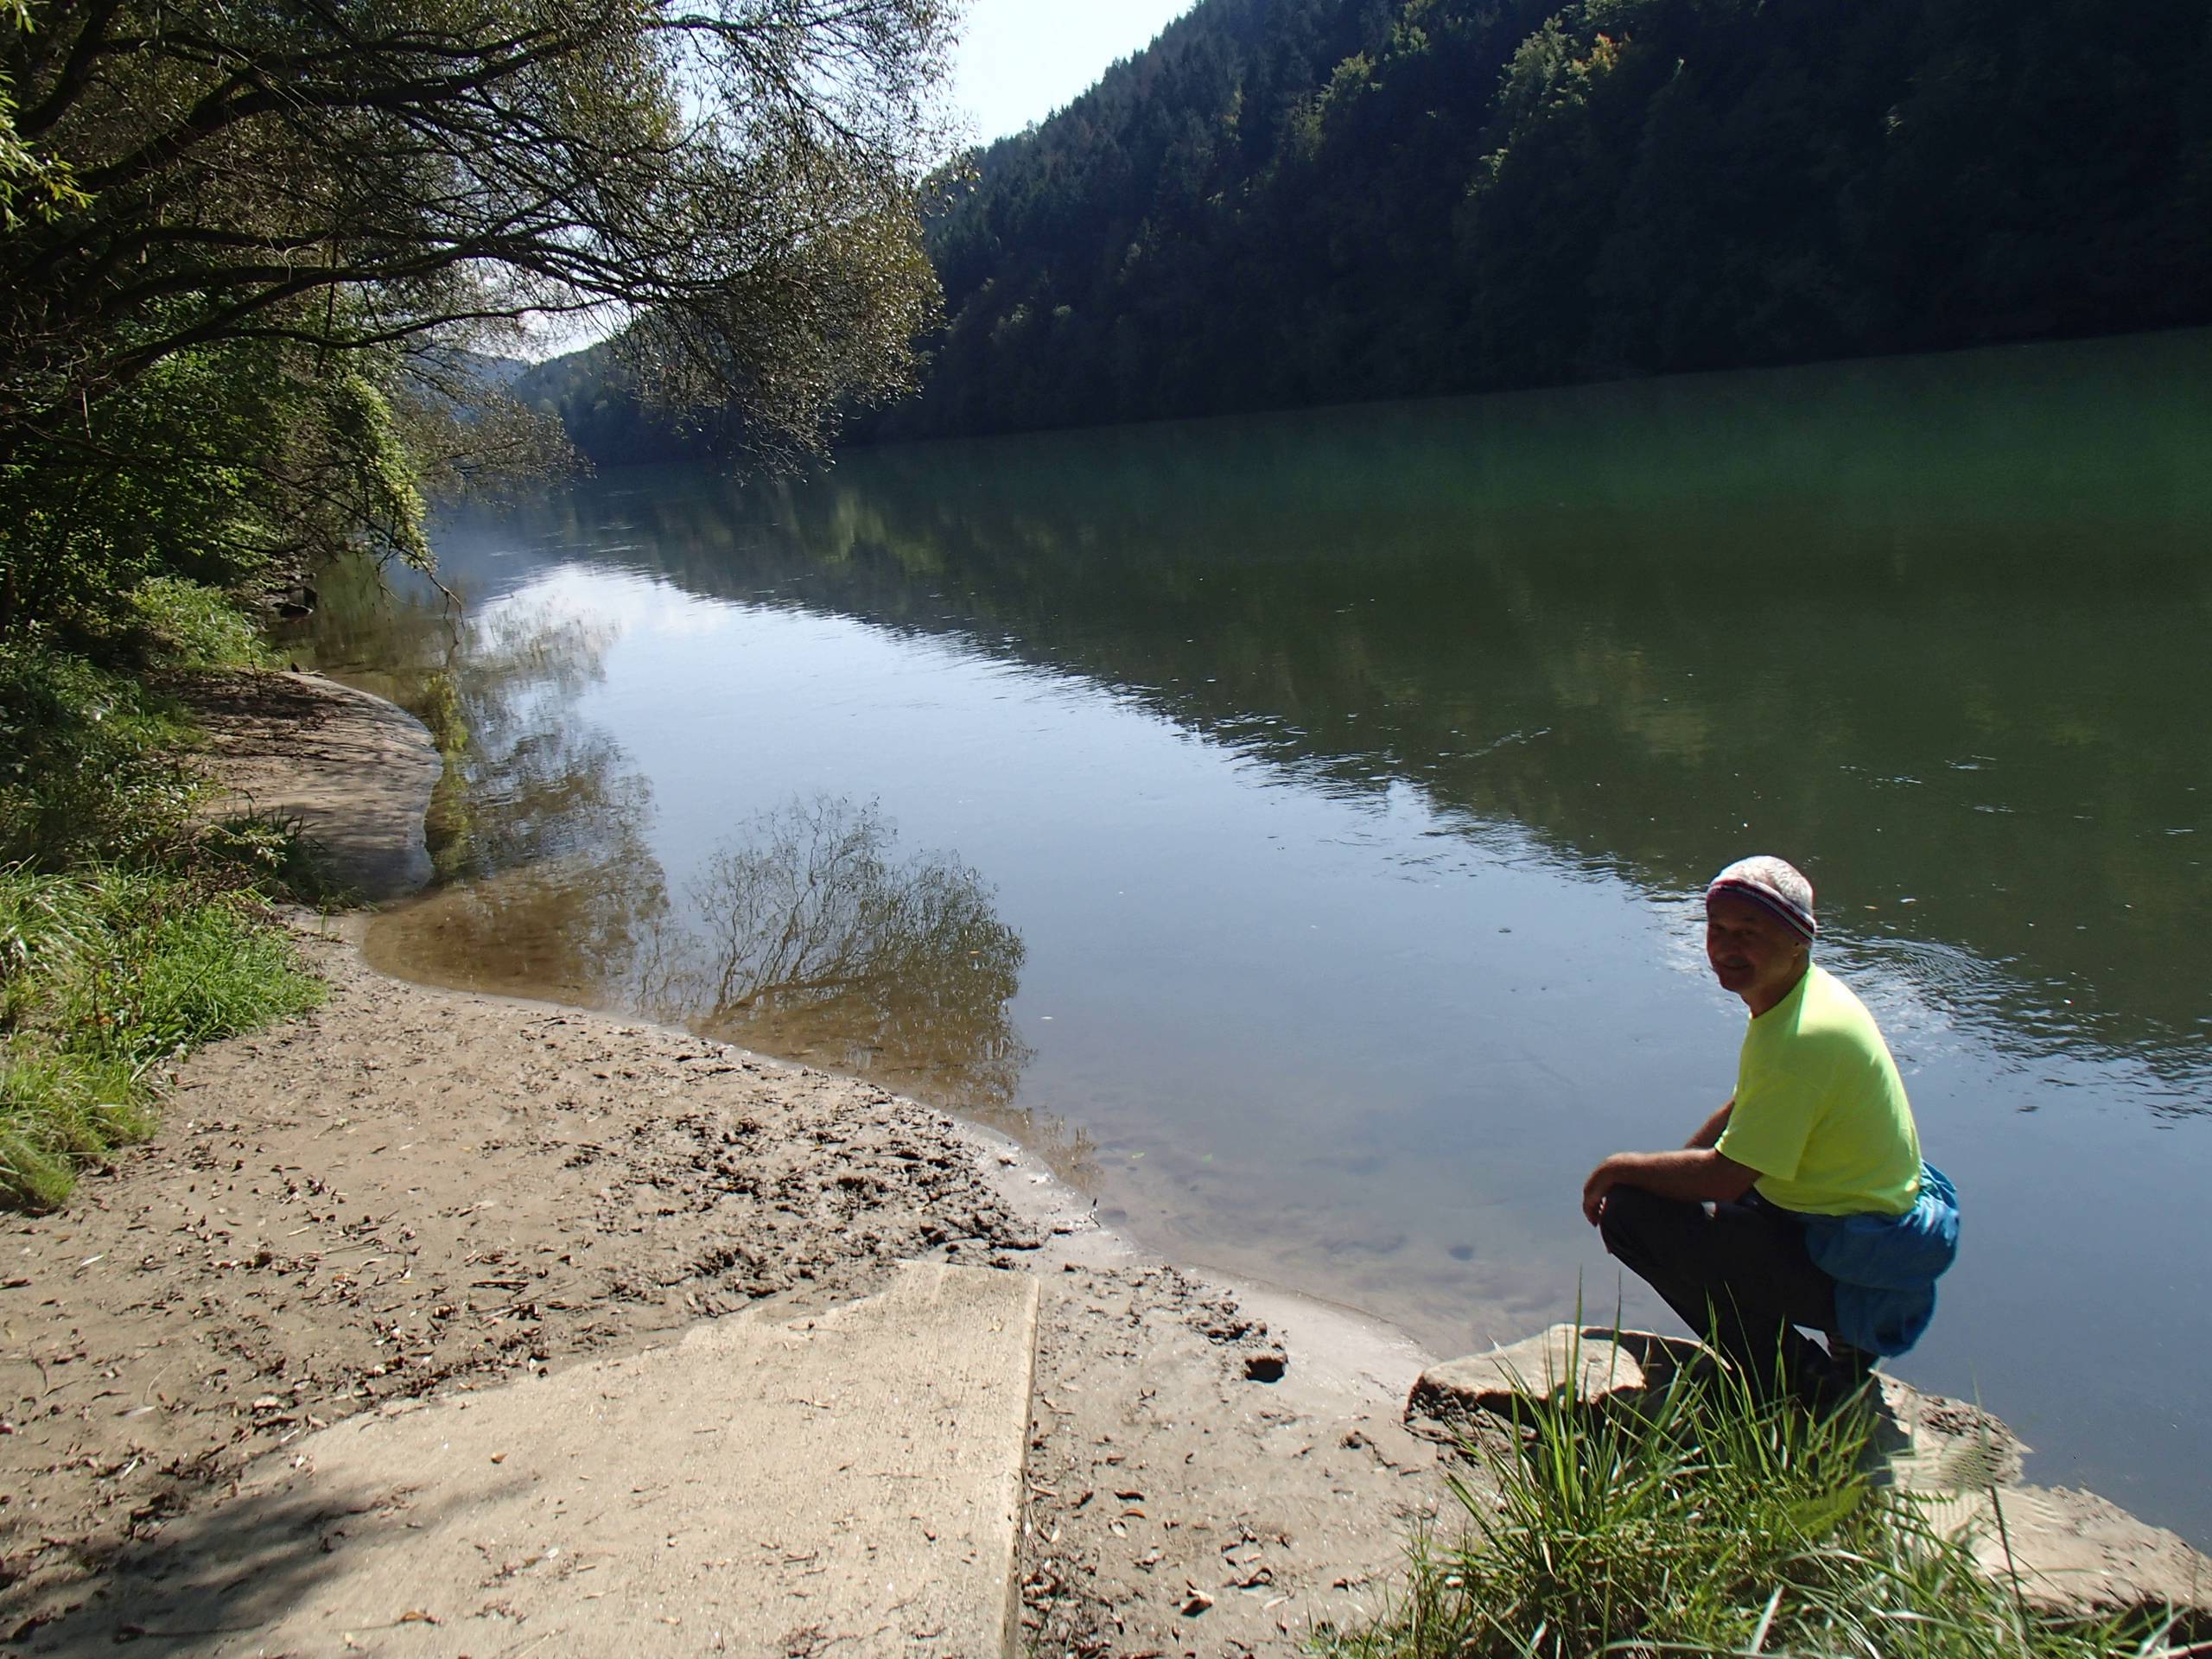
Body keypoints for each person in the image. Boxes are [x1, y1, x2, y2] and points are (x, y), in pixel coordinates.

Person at [1581, 855, 1955, 1406]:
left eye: (1750, 933)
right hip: (1851, 1227)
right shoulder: (1803, 995)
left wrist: (1619, 1169)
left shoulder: (1801, 1039)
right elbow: (1747, 1108)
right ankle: (1836, 1347)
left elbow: (1726, 1177)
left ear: (1798, 940)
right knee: (1669, 1194)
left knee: (1632, 1215)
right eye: (1718, 929)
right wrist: (1675, 1174)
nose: (1728, 948)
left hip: (1864, 1265)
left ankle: (1800, 1384)